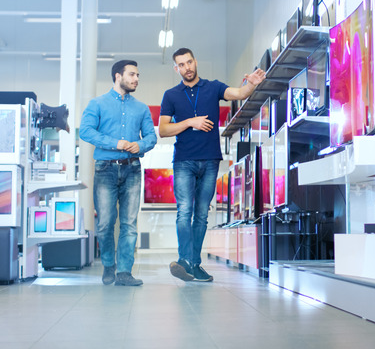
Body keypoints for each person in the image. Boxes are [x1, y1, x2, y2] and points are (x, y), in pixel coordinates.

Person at [159, 47, 265, 282]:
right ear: (176, 68)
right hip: (184, 161)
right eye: (181, 65)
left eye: (189, 62)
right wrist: (189, 122)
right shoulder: (171, 95)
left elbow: (239, 93)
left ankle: (194, 264)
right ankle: (185, 260)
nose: (187, 67)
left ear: (195, 62)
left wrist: (252, 84)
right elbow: (164, 129)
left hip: (210, 160)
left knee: (201, 215)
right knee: (184, 211)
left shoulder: (213, 87)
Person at [80, 60, 157, 286]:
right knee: (104, 223)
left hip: (132, 169)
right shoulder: (97, 104)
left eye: (138, 75)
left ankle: (124, 271)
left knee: (129, 223)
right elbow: (85, 131)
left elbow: (151, 137)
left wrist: (140, 146)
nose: (136, 79)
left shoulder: (141, 108)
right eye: (132, 74)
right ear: (117, 76)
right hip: (105, 169)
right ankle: (108, 265)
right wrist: (117, 143)